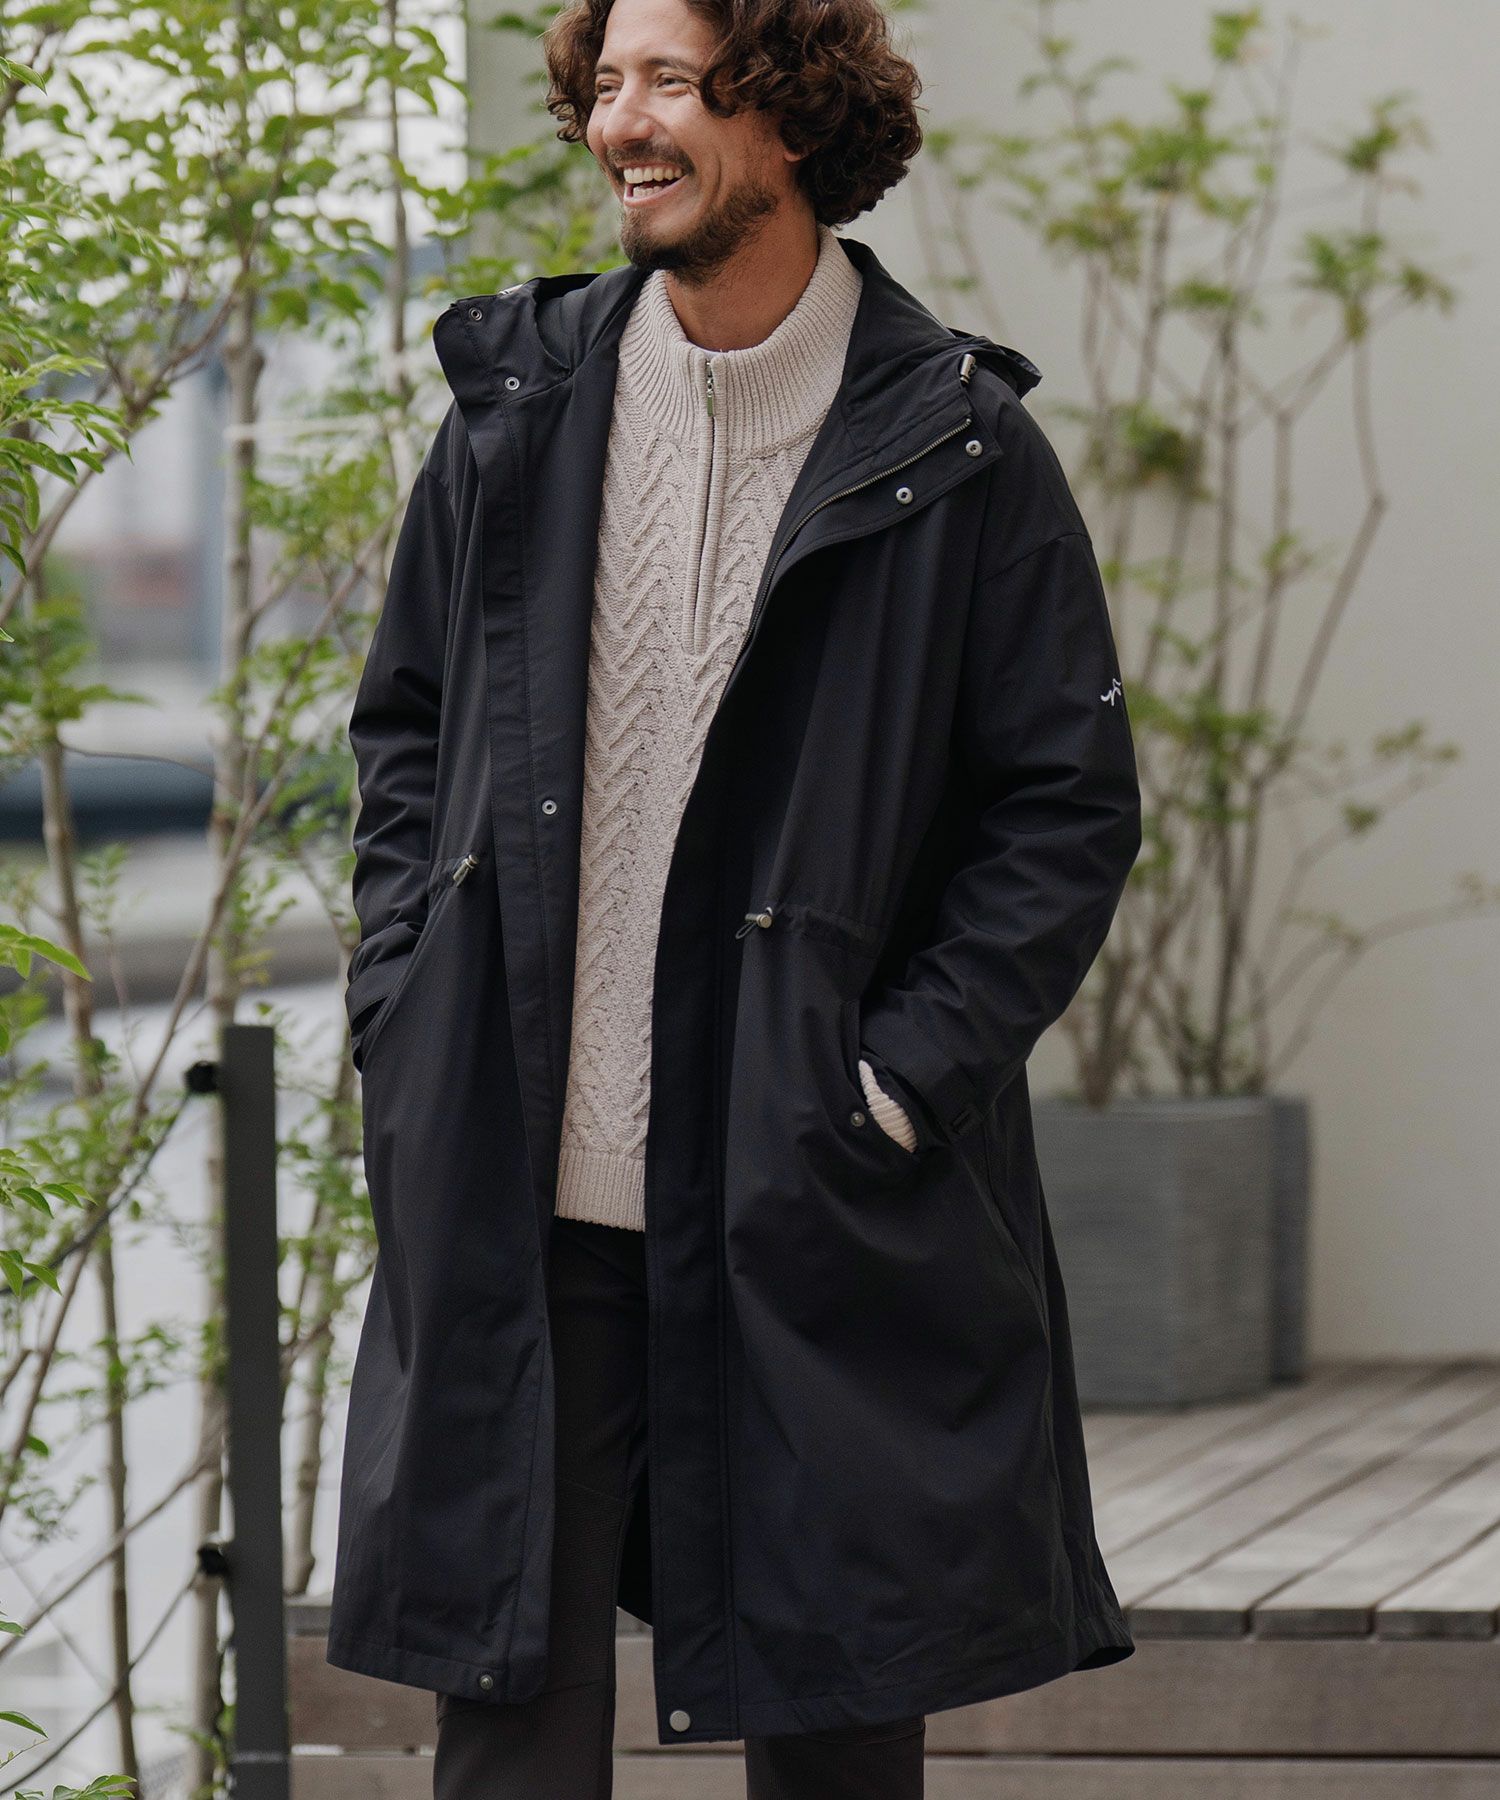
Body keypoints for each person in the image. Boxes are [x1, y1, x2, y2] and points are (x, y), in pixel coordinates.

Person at [328, 0, 1143, 1794]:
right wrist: (408, 1005)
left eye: (673, 83)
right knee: (506, 1746)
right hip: (529, 1201)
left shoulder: (958, 447)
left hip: (811, 1193)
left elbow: (1064, 811)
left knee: (839, 1731)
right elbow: (404, 735)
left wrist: (899, 1079)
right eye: (606, 81)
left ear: (790, 116)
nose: (621, 122)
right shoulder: (517, 414)